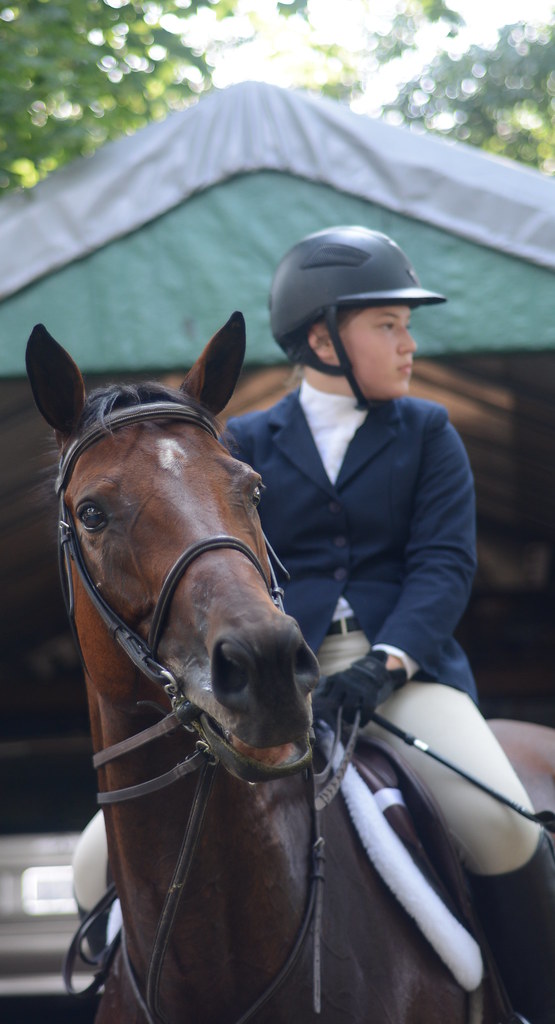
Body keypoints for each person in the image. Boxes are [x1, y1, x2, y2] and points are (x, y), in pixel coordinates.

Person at [225, 225, 555, 1024]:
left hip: (407, 678)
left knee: (502, 824)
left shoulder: (429, 432)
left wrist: (383, 665)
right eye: (388, 325)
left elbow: (443, 566)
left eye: (406, 327)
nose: (409, 344)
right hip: (284, 682)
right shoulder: (241, 443)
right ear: (321, 338)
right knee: (102, 852)